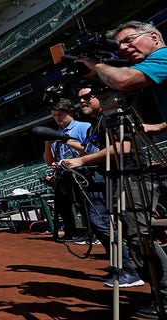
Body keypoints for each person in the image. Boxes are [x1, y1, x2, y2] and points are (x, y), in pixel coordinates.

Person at [75, 21, 167, 318]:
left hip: (132, 174)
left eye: (129, 41)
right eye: (120, 45)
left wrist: (96, 64)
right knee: (134, 231)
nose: (125, 48)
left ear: (154, 37)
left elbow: (125, 81)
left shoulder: (163, 58)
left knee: (137, 231)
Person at [63, 86, 144, 288]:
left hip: (129, 178)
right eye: (79, 99)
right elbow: (93, 150)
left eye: (88, 97)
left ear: (101, 96)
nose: (82, 102)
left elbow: (122, 148)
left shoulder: (112, 115)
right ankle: (125, 270)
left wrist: (82, 161)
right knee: (111, 227)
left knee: (134, 234)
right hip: (111, 180)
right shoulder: (94, 125)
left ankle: (138, 275)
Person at [42, 98, 91, 242]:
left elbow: (90, 149)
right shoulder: (55, 133)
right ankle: (72, 232)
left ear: (70, 112)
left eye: (60, 114)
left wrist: (65, 140)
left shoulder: (84, 126)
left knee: (85, 206)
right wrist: (47, 144)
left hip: (84, 174)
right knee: (64, 207)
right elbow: (49, 161)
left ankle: (91, 233)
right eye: (54, 116)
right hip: (65, 176)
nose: (57, 118)